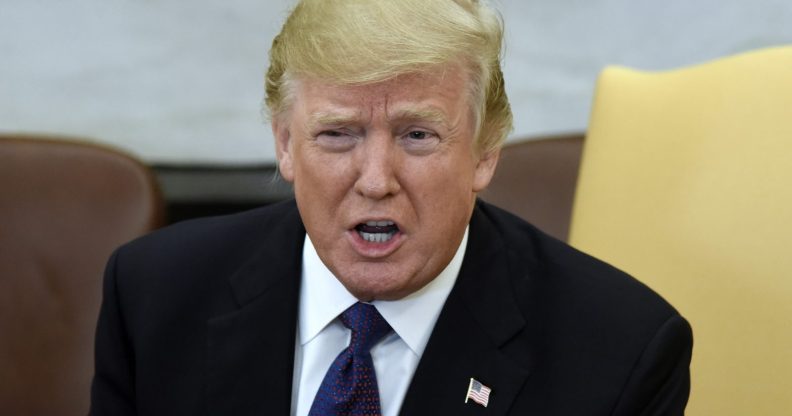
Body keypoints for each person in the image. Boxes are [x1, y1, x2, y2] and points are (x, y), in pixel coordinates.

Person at [90, 0, 693, 415]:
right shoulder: (154, 296)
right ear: (284, 143)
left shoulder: (619, 352)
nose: (376, 181)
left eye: (417, 135)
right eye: (337, 135)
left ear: (485, 151)